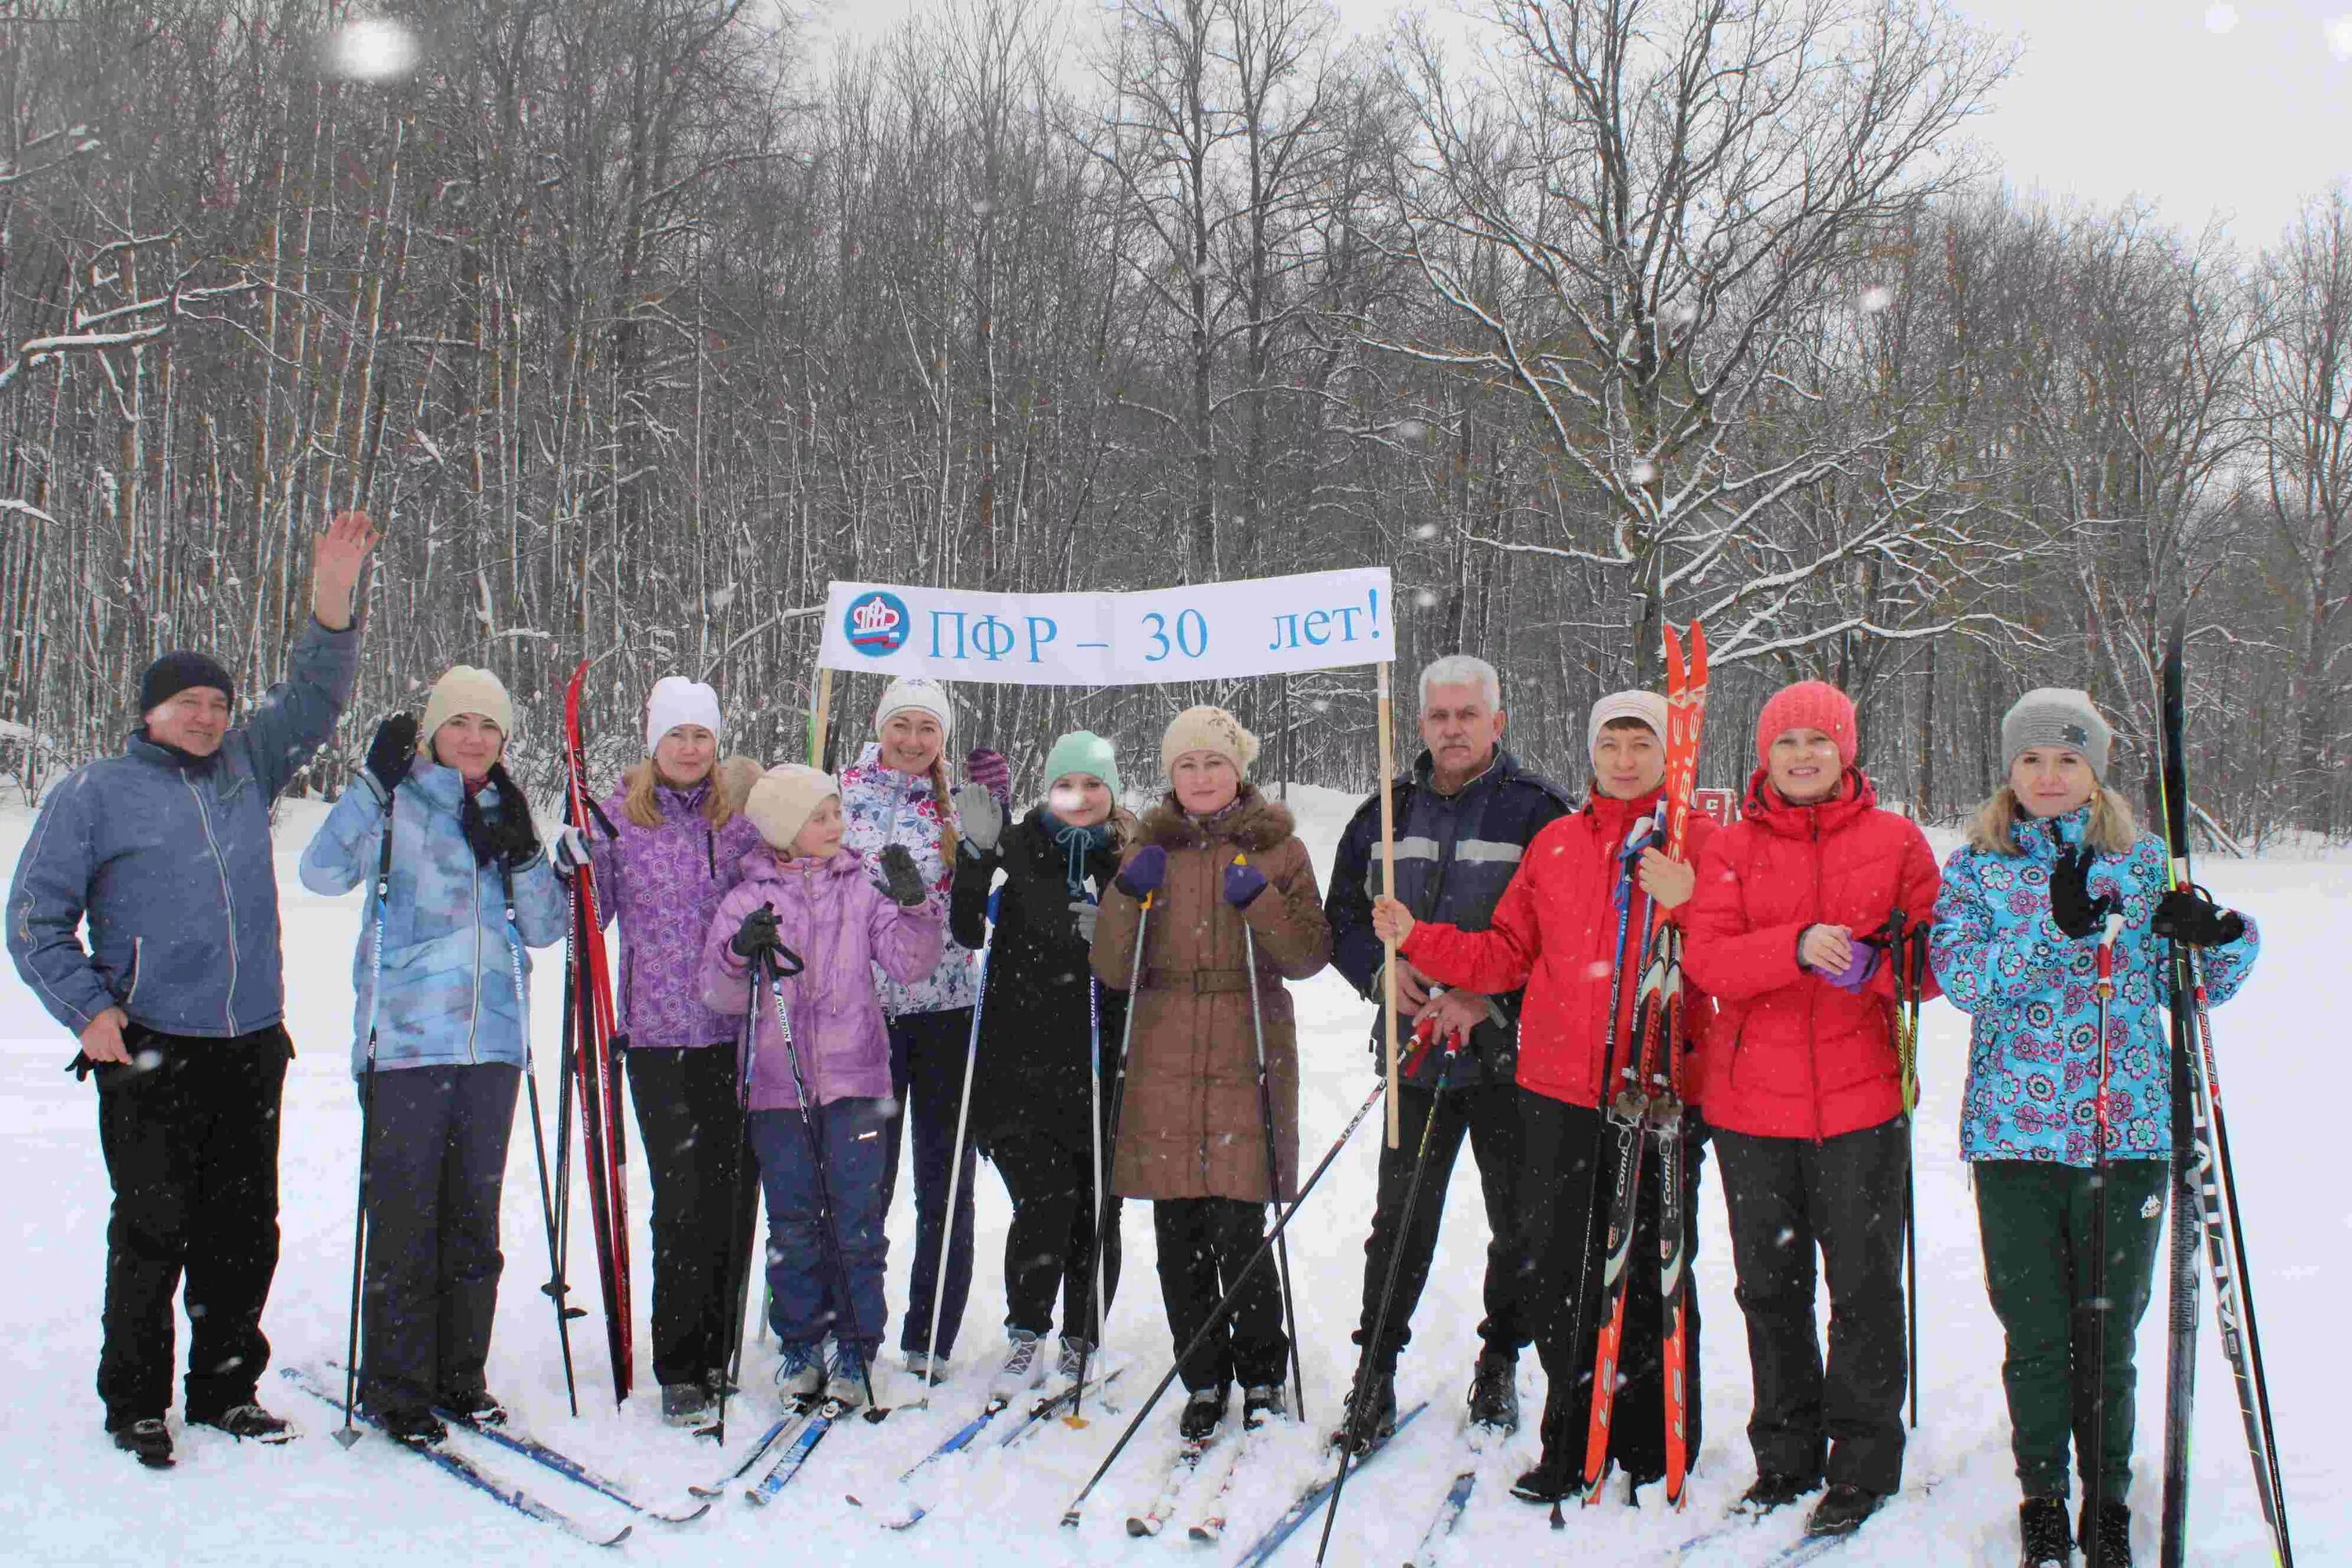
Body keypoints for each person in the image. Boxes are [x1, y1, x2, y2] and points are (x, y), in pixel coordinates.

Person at [7, 510, 376, 1468]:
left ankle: (223, 1386)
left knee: (244, 1228)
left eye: (217, 701)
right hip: (149, 1046)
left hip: (250, 1042)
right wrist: (92, 1011)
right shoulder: (94, 792)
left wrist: (332, 598)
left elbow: (314, 698)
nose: (208, 716)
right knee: (152, 1228)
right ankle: (135, 1399)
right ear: (149, 711)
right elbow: (34, 919)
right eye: (188, 703)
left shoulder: (246, 767)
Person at [1929, 690, 2259, 1568]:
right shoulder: (1976, 868)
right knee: (2035, 1333)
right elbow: (1961, 977)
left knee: (2109, 1333)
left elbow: (2193, 984)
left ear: (2095, 770)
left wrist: (2218, 934)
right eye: (2032, 758)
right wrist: (2052, 924)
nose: (2049, 775)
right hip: (2014, 1138)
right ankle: (2044, 1495)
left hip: (2129, 1137)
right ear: (2008, 769)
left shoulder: (2142, 861)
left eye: (2067, 759)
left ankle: (2107, 1503)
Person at [1374, 688, 1717, 1502]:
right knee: (1564, 1270)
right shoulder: (1559, 843)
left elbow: (1729, 951)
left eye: (1642, 744)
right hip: (1559, 1089)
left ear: (1667, 752)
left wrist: (1690, 894)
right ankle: (1573, 1433)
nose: (1625, 760)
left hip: (1659, 1087)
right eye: (1612, 744)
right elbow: (1505, 953)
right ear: (1593, 751)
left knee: (1653, 1271)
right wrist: (1416, 937)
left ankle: (1657, 1439)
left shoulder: (1699, 842)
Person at [1680, 679, 1941, 1541]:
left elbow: (1932, 965)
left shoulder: (1897, 841)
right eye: (1786, 742)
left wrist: (1875, 965)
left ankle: (1863, 1460)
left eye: (1817, 742)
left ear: (1846, 751)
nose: (1801, 756)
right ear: (1764, 754)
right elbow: (1710, 959)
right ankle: (1785, 1453)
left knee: (1864, 1285)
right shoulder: (1728, 845)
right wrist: (1791, 946)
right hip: (1752, 1108)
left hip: (1863, 1102)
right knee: (1770, 1288)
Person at [298, 666, 568, 1446]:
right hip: (408, 1041)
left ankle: (459, 1372)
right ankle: (395, 1383)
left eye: (491, 726)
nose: (475, 738)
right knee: (406, 1219)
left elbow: (545, 928)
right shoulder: (396, 800)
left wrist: (532, 857)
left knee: (472, 1221)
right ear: (432, 731)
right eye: (460, 723)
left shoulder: (506, 806)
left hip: (492, 1046)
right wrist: (368, 782)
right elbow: (320, 870)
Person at [1324, 655, 1572, 1450]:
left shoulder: (1539, 813)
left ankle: (1501, 1357)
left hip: (1507, 1052)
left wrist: (1490, 996)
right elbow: (1345, 919)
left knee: (1519, 1221)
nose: (1454, 728)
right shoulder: (1384, 814)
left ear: (1497, 722)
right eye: (1440, 716)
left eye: (1469, 714)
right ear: (1421, 722)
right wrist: (1378, 971)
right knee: (1400, 1218)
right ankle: (1375, 1371)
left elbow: (1564, 938)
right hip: (1415, 1056)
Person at [1091, 707, 1330, 1442]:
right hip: (1163, 1042)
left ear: (1239, 770)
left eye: (1214, 764)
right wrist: (1129, 894)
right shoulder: (1144, 847)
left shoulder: (1278, 849)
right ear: (1170, 775)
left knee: (1238, 1224)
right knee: (1177, 1231)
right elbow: (1108, 965)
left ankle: (1262, 1369)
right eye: (1186, 765)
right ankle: (1202, 1376)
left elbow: (1308, 955)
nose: (1200, 777)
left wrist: (1257, 899)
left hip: (1243, 1041)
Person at [699, 764, 944, 1408]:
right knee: (795, 1224)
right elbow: (718, 995)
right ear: (783, 827)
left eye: (837, 813)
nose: (836, 826)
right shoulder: (747, 899)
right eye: (820, 816)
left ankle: (858, 1345)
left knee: (857, 1223)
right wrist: (737, 953)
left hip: (856, 1080)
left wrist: (916, 907)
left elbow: (910, 965)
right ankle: (802, 1345)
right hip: (779, 1090)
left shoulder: (859, 888)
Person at [562, 676, 764, 1427]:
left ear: (716, 744)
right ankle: (680, 1363)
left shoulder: (740, 823)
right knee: (681, 1202)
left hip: (734, 1037)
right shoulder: (619, 821)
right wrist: (569, 862)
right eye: (677, 735)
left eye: (701, 736)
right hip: (655, 1040)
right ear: (654, 742)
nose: (689, 748)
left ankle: (720, 1349)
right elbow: (585, 918)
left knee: (733, 1197)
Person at [949, 731, 1136, 1403]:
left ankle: (1082, 1336)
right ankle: (1027, 1329)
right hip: (1020, 1059)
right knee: (1043, 1203)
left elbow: (1153, 960)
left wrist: (1113, 938)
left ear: (1110, 792)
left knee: (1097, 1205)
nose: (1079, 798)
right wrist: (974, 856)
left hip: (1103, 1061)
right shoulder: (1018, 847)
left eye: (1093, 786)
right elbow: (969, 928)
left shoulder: (1131, 858)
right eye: (1066, 785)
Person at [839, 677, 982, 1377]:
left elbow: (983, 904)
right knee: (862, 1178)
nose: (914, 741)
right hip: (862, 1016)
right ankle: (853, 1327)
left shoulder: (956, 809)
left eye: (929, 728)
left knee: (944, 1181)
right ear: (880, 726)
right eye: (903, 725)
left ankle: (930, 1336)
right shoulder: (839, 795)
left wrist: (995, 830)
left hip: (949, 1013)